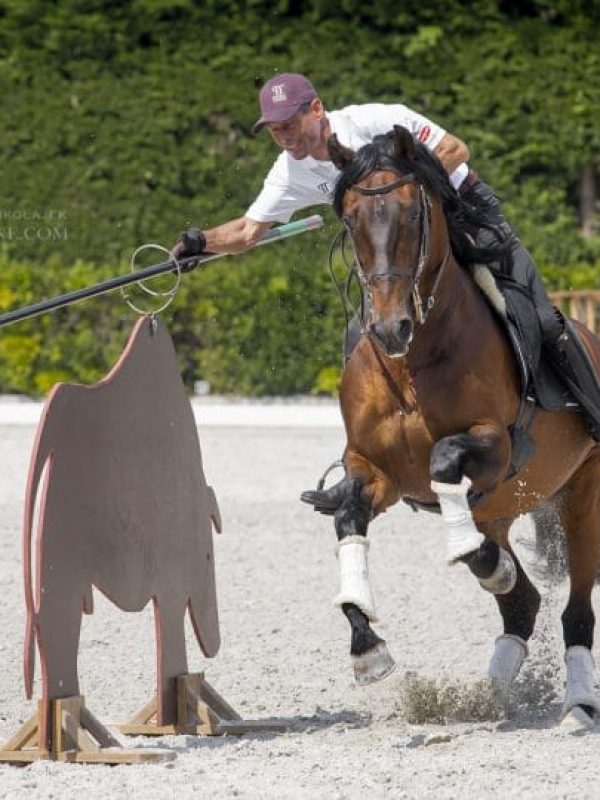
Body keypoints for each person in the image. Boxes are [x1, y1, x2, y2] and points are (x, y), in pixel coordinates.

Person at [173, 73, 600, 509]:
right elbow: (248, 231)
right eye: (274, 130)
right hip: (395, 253)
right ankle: (363, 459)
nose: (283, 137)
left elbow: (456, 149)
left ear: (316, 110)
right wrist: (198, 243)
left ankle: (593, 418)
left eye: (289, 125)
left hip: (467, 220)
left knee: (544, 321)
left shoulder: (378, 119)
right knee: (358, 336)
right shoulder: (290, 170)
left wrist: (404, 180)